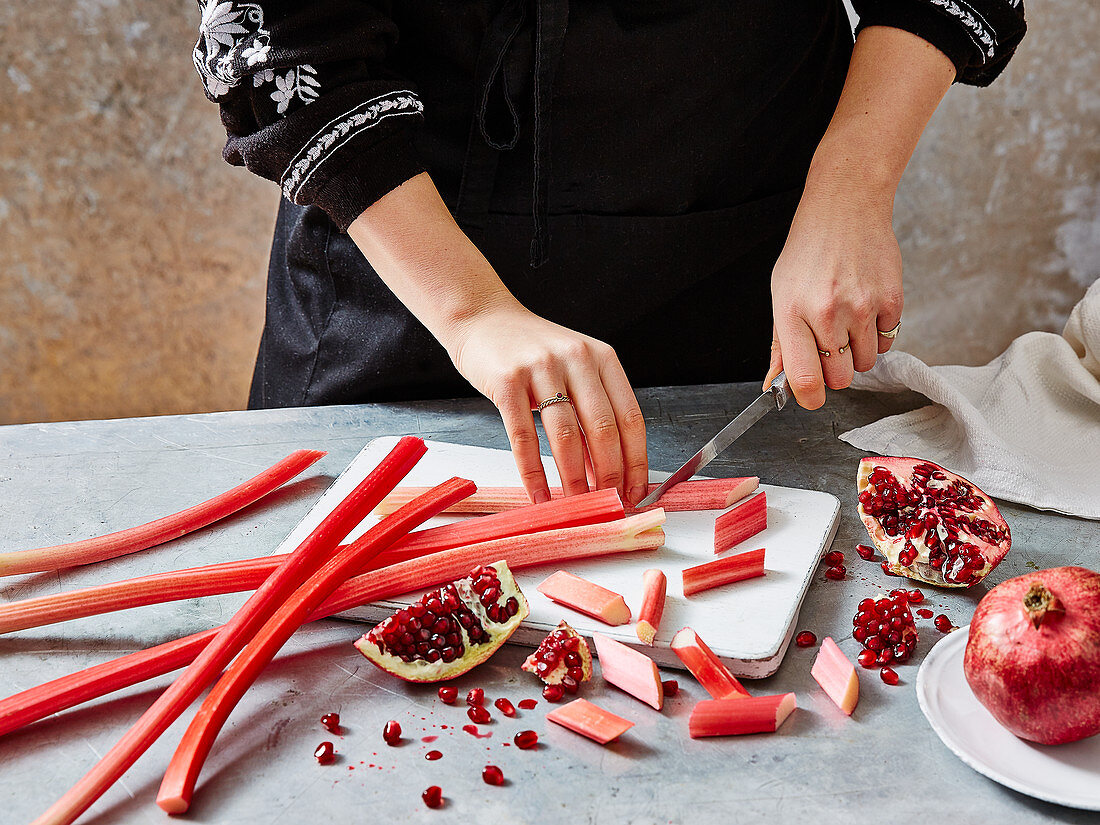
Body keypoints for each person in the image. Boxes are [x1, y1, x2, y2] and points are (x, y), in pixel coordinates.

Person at [193, 1, 1025, 507]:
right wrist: (471, 312)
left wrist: (851, 183)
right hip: (395, 268)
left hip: (735, 263)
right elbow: (278, 25)